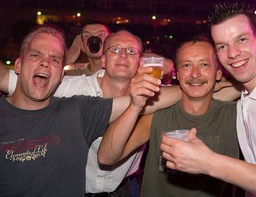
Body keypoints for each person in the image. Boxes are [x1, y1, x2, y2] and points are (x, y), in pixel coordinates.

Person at [0, 25, 162, 196]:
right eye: (116, 49)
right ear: (103, 59)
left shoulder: (156, 97)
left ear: (141, 62)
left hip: (123, 189)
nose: (123, 55)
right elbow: (4, 78)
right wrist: (63, 60)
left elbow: (177, 90)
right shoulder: (69, 89)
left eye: (131, 51)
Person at [160, 2, 256, 197]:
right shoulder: (246, 97)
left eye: (241, 40)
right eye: (223, 46)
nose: (232, 53)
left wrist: (209, 163)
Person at [97, 35, 241, 197]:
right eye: (186, 65)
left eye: (204, 65)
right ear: (177, 74)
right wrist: (135, 105)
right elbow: (105, 157)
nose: (195, 74)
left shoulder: (237, 115)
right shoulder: (158, 115)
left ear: (218, 73)